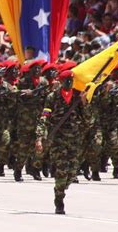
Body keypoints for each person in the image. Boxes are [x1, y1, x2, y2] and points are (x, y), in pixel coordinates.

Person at [36, 70, 88, 214]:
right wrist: (39, 137)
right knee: (61, 171)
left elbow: (88, 120)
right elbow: (44, 117)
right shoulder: (52, 97)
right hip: (58, 139)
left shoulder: (78, 97)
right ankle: (59, 199)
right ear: (61, 81)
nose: (69, 83)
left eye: (71, 80)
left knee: (72, 173)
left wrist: (84, 103)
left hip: (75, 139)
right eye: (66, 80)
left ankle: (61, 190)